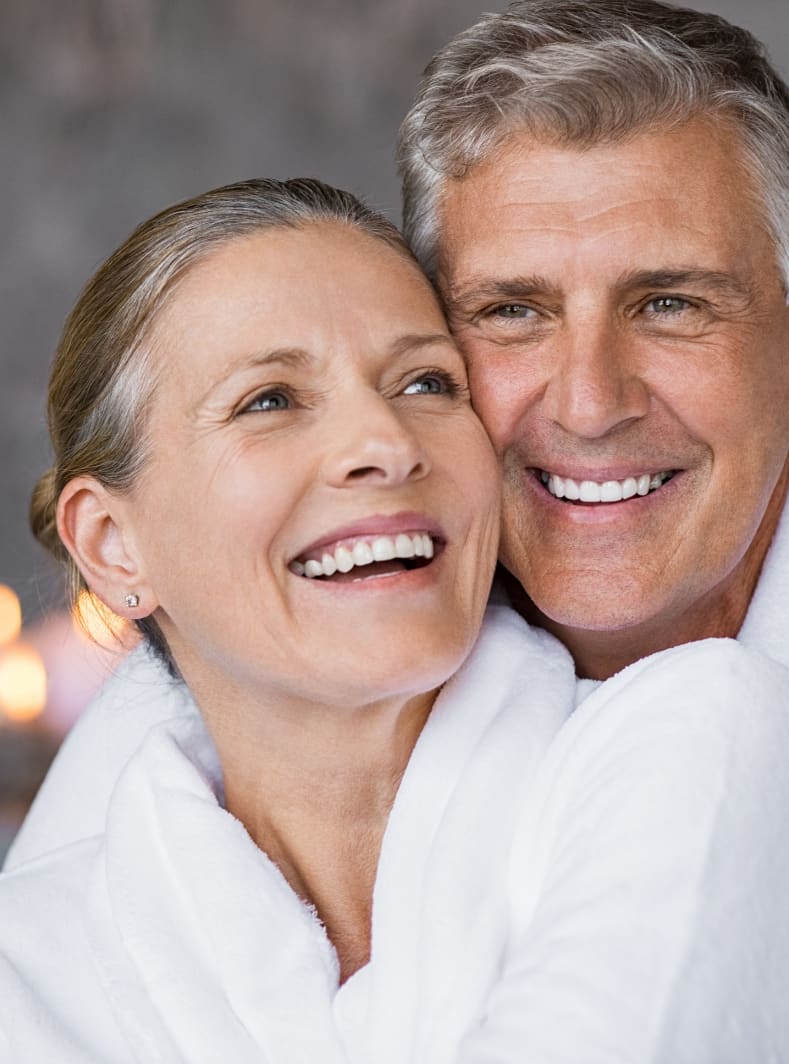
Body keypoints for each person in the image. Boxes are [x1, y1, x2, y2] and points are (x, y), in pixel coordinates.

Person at [1, 177, 788, 1063]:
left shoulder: (696, 737)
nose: (384, 443)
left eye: (425, 382)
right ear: (112, 547)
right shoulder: (30, 966)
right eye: (270, 400)